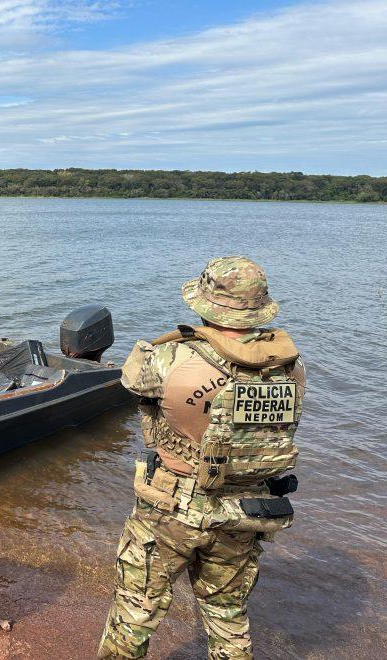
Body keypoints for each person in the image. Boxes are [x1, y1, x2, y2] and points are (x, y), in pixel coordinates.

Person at [98, 256, 306, 660]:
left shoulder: (170, 357)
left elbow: (131, 381)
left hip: (170, 507)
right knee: (227, 613)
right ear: (258, 307)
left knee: (136, 610)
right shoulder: (290, 365)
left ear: (205, 303)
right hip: (247, 508)